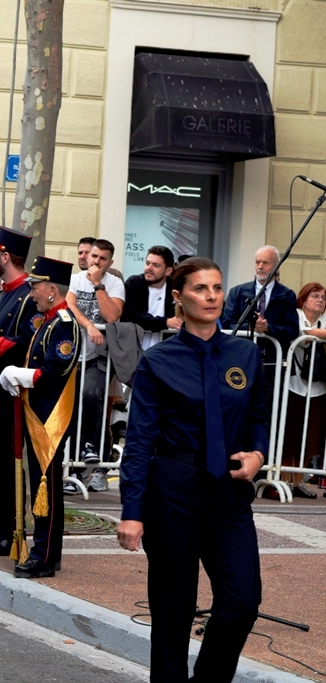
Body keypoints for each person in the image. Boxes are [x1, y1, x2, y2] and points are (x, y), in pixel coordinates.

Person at [118, 257, 267, 683]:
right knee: (173, 610)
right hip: (172, 496)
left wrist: (257, 453)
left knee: (241, 603)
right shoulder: (157, 362)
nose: (212, 297)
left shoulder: (245, 354)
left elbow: (257, 416)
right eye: (201, 289)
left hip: (229, 498)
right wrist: (132, 510)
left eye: (217, 288)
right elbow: (141, 440)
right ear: (179, 298)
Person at [0, 256, 80, 578]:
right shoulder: (48, 319)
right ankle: (48, 552)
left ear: (51, 289)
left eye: (36, 286)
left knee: (46, 490)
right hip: (38, 414)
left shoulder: (64, 324)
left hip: (50, 419)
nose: (31, 291)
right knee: (43, 488)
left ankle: (43, 556)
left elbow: (54, 371)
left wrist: (21, 375)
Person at [0, 226, 41, 556]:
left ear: (5, 256)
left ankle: (14, 529)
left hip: (11, 392)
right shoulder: (1, 294)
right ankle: (2, 526)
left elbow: (29, 343)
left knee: (6, 464)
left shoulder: (30, 295)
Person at [66, 238, 125, 491]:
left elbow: (112, 315)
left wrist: (98, 284)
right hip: (72, 355)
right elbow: (68, 305)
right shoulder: (76, 279)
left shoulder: (114, 284)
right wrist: (89, 325)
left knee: (91, 397)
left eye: (102, 259)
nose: (95, 261)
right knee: (73, 407)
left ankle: (93, 453)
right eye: (93, 257)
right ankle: (76, 468)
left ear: (109, 263)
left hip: (99, 357)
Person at [221, 245, 300, 393]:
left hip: (271, 364)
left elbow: (292, 330)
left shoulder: (287, 295)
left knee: (268, 411)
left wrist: (268, 327)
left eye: (266, 263)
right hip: (240, 360)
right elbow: (227, 324)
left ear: (277, 266)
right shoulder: (237, 292)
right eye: (257, 262)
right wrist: (249, 327)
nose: (260, 266)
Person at [278, 282, 326, 499]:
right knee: (291, 434)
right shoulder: (295, 315)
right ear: (303, 299)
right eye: (315, 296)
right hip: (294, 384)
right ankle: (284, 479)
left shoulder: (325, 319)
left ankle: (298, 482)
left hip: (318, 387)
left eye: (323, 298)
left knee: (310, 435)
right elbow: (302, 334)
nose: (320, 300)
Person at [122, 245, 181, 350]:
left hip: (165, 350)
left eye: (156, 265)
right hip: (134, 350)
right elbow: (131, 316)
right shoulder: (134, 283)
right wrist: (166, 322)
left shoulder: (175, 288)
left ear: (168, 271)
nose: (149, 268)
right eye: (147, 263)